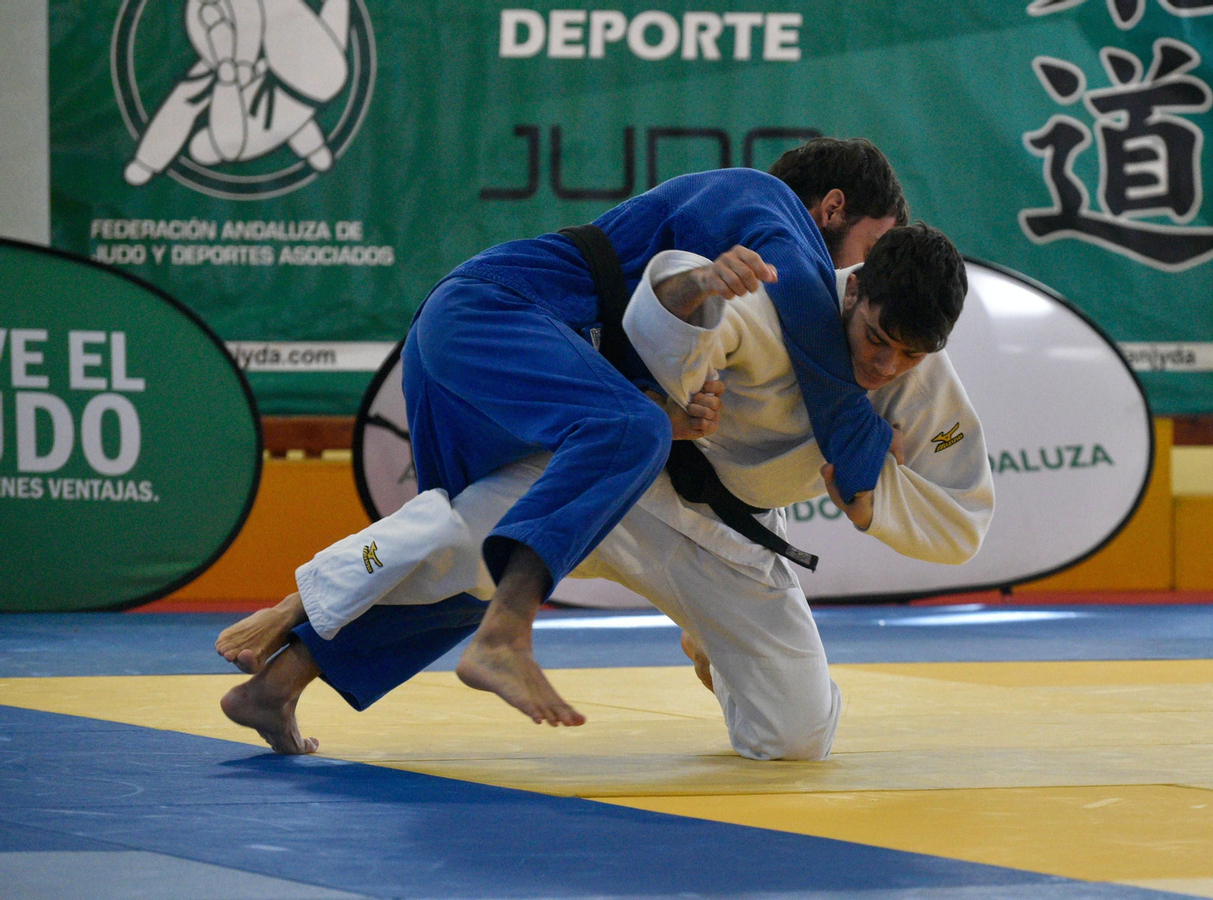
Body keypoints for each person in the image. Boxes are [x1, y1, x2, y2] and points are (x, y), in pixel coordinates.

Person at [216, 140, 908, 752]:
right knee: (624, 435)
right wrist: (865, 449)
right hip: (493, 312)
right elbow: (819, 333)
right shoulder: (767, 203)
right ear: (833, 207)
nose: (861, 280)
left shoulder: (753, 311)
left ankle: (274, 688)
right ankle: (391, 612)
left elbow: (664, 378)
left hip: (485, 349)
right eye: (873, 254)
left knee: (482, 560)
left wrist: (675, 414)